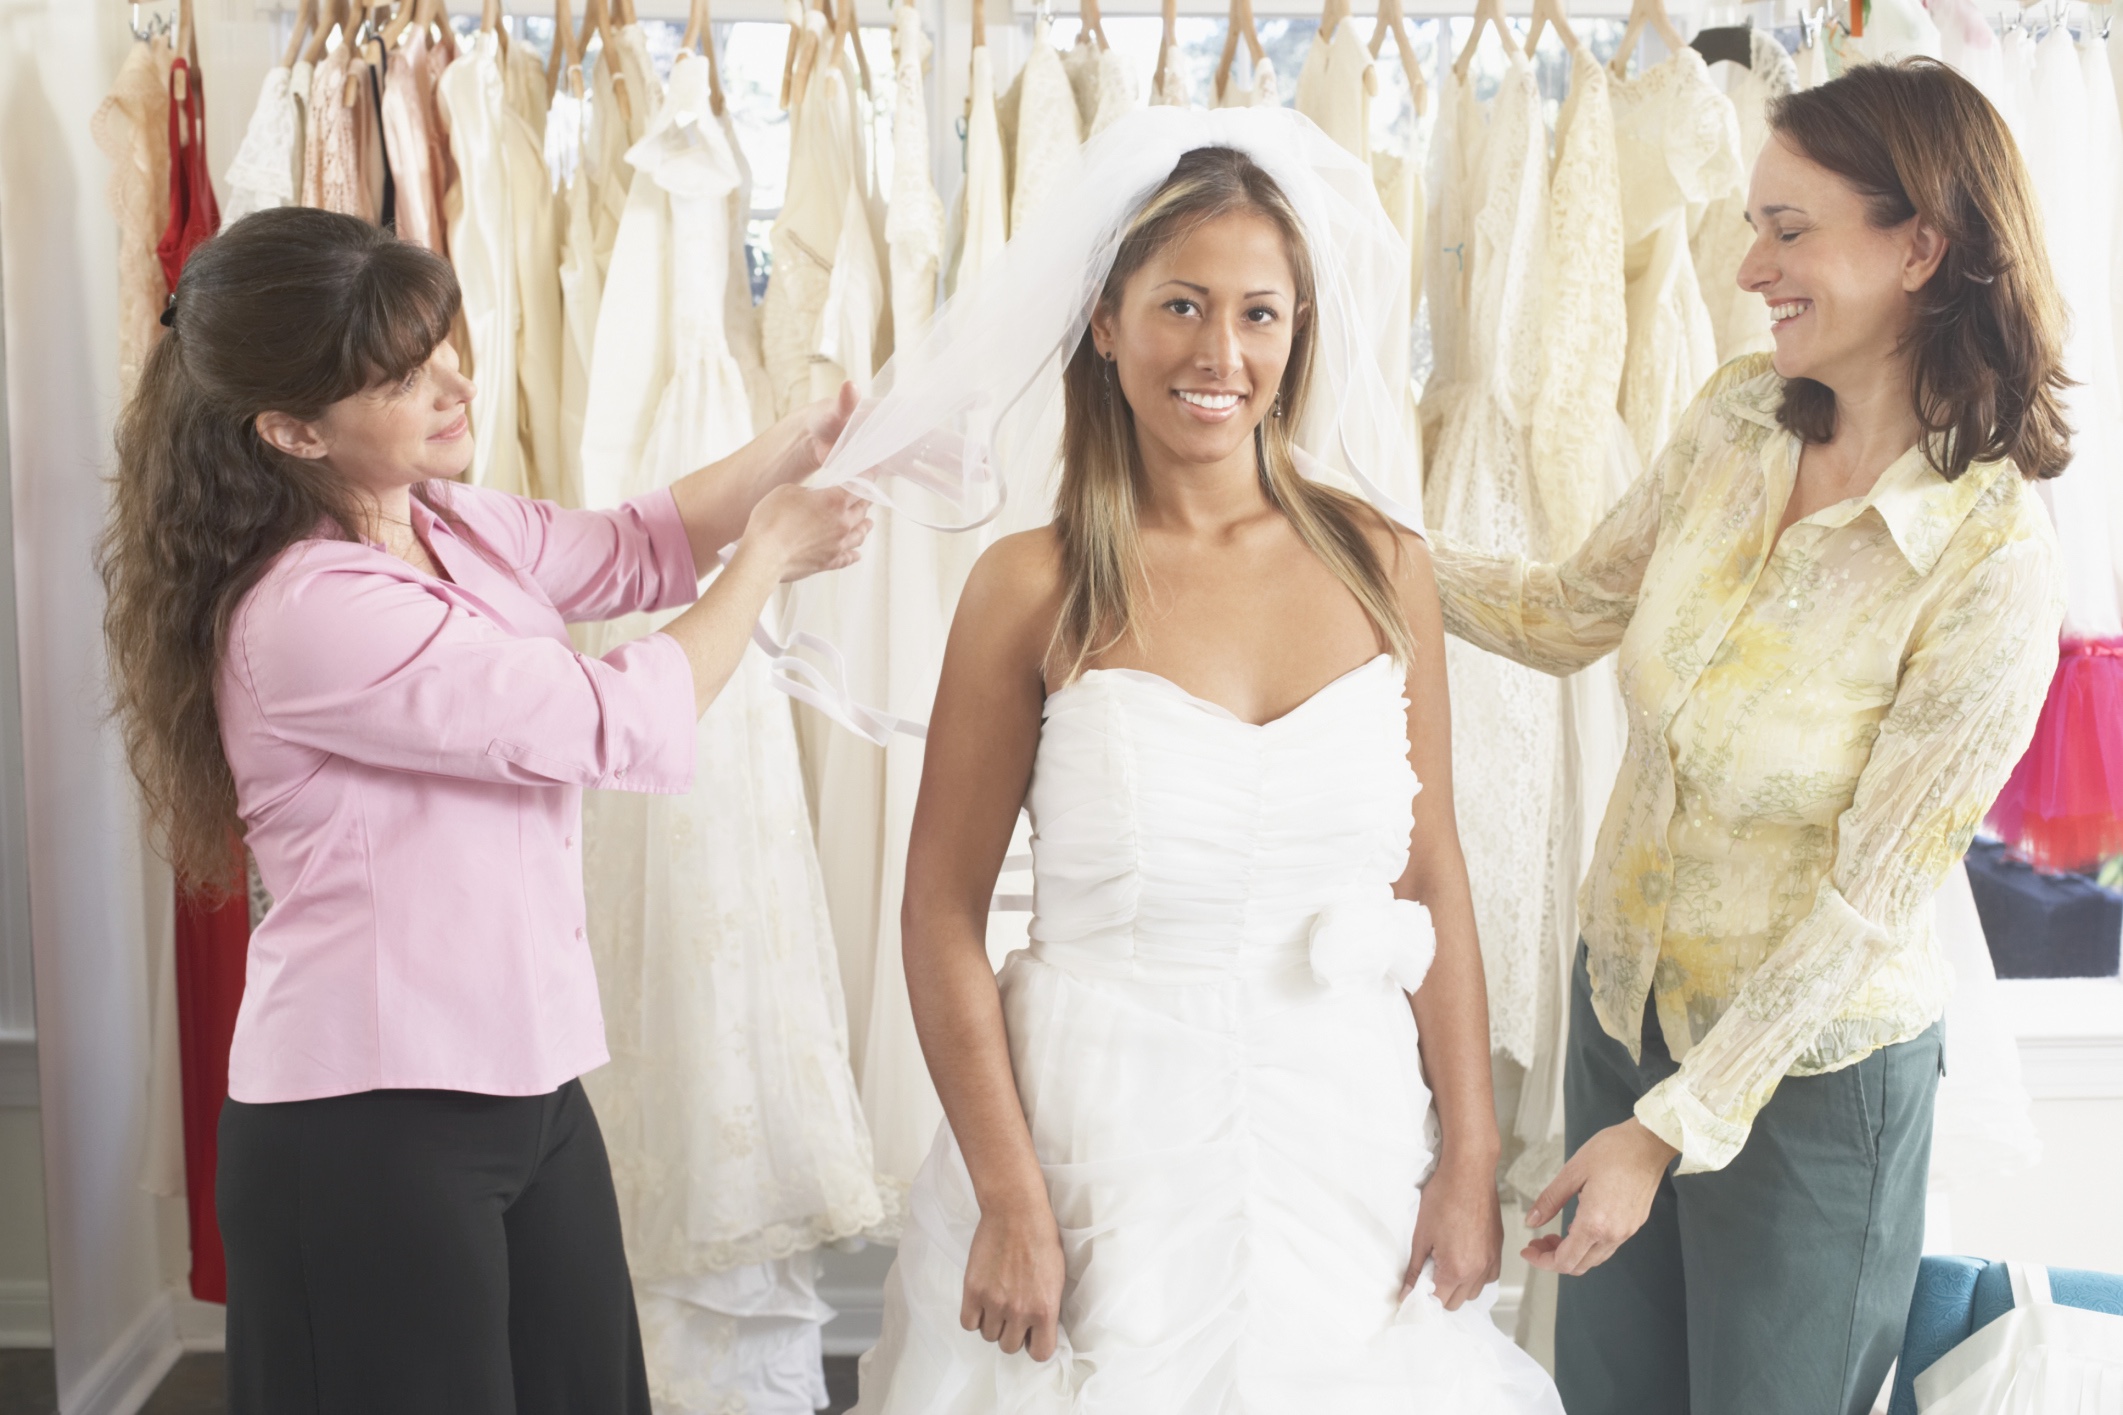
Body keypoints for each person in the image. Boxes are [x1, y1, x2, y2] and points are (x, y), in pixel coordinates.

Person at [96, 207, 871, 1415]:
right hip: (366, 1124)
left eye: (441, 344)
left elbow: (636, 544)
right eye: (403, 375)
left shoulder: (440, 520)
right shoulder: (307, 608)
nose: (455, 384)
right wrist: (767, 556)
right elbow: (607, 720)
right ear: (292, 428)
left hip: (531, 1085)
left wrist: (800, 439)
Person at [849, 118, 1561, 1413]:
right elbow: (937, 911)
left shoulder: (1380, 559)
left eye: (1256, 314)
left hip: (1341, 1130)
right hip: (1097, 1147)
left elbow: (1431, 871)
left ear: (1297, 337)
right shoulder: (1031, 584)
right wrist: (1009, 1192)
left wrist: (1469, 1151)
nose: (1217, 353)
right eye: (1179, 304)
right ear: (1107, 322)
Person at [1429, 60, 2068, 1415]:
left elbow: (1863, 902)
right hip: (1625, 1018)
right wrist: (1357, 542)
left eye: (1787, 230)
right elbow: (1562, 612)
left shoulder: (1989, 557)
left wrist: (1661, 1136)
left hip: (1810, 1092)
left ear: (1919, 246)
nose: (1743, 267)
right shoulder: (1730, 416)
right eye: (1749, 226)